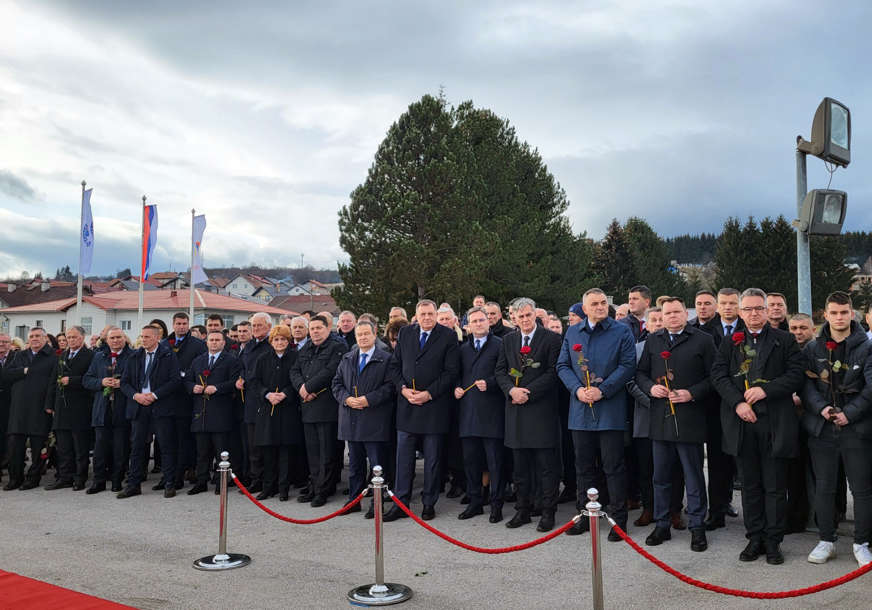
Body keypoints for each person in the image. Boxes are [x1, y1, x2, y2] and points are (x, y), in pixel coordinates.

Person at [711, 288, 805, 564]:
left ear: (767, 310)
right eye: (749, 309)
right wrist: (738, 403)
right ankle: (754, 537)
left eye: (759, 308)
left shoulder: (785, 340)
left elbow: (796, 375)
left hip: (775, 422)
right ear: (740, 312)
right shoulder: (730, 343)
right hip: (742, 424)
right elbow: (719, 375)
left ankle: (774, 541)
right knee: (750, 485)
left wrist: (768, 391)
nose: (754, 314)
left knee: (775, 485)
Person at [636, 298, 716, 552]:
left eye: (676, 312)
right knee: (660, 476)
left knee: (692, 476)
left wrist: (692, 393)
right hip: (660, 417)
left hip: (689, 417)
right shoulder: (654, 340)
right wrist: (651, 387)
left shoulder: (702, 339)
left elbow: (715, 377)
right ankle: (662, 524)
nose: (672, 316)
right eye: (667, 313)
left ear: (685, 314)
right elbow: (640, 373)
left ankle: (697, 527)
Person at [558, 289, 636, 539]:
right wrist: (577, 389)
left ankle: (618, 521)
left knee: (613, 467)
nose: (600, 307)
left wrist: (603, 390)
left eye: (603, 303)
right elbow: (562, 365)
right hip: (580, 410)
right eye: (595, 304)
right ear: (585, 307)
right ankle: (583, 516)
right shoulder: (573, 331)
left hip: (610, 409)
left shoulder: (621, 331)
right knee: (583, 467)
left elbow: (627, 365)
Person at [801, 292, 872, 567]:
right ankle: (826, 539)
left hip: (857, 429)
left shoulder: (866, 347)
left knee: (862, 489)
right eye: (834, 312)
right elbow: (805, 385)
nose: (840, 317)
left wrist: (849, 414)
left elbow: (870, 387)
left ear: (852, 313)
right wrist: (822, 408)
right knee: (824, 487)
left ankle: (862, 542)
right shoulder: (813, 348)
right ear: (826, 314)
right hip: (822, 428)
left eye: (844, 312)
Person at [384, 299, 460, 522]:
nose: (427, 317)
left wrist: (429, 394)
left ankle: (429, 503)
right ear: (416, 316)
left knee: (433, 460)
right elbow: (395, 366)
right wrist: (403, 390)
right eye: (423, 314)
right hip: (407, 404)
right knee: (403, 459)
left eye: (430, 313)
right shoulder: (406, 333)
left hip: (433, 406)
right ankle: (400, 503)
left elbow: (450, 372)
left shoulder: (447, 336)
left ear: (436, 314)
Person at [496, 297, 563, 532]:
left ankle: (547, 512)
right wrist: (512, 390)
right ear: (514, 317)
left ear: (535, 315)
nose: (525, 320)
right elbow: (500, 371)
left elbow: (554, 372)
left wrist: (529, 392)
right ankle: (522, 510)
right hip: (516, 410)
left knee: (546, 467)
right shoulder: (508, 340)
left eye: (528, 315)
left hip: (541, 410)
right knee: (520, 468)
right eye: (520, 316)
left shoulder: (552, 339)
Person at [332, 320, 395, 517]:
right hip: (351, 418)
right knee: (355, 466)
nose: (363, 337)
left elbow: (390, 387)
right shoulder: (347, 358)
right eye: (359, 335)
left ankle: (376, 504)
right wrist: (347, 399)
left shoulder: (386, 359)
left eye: (366, 334)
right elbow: (336, 384)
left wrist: (369, 400)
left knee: (377, 466)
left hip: (374, 420)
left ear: (374, 334)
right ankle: (354, 500)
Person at [454, 307, 506, 523]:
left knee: (495, 463)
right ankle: (475, 502)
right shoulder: (463, 349)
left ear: (489, 322)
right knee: (471, 462)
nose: (478, 324)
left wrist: (492, 383)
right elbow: (456, 374)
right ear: (467, 325)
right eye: (473, 321)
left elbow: (512, 373)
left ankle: (496, 505)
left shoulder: (500, 345)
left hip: (492, 413)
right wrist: (456, 388)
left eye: (481, 320)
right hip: (468, 413)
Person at [118, 325, 182, 499]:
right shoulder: (134, 356)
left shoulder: (168, 355)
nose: (143, 339)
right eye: (142, 336)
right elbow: (124, 382)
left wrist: (154, 395)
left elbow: (175, 381)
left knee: (166, 445)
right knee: (137, 447)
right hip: (139, 406)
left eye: (147, 337)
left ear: (156, 338)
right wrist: (136, 395)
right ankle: (133, 484)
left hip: (161, 406)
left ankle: (169, 483)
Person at [291, 314, 348, 506]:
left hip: (326, 406)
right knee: (313, 453)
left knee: (327, 452)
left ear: (327, 328)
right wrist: (301, 388)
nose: (315, 331)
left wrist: (309, 387)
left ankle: (324, 490)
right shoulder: (306, 347)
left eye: (318, 328)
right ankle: (315, 486)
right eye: (312, 328)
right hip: (307, 405)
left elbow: (331, 371)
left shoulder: (337, 346)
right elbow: (294, 370)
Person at [187, 330, 242, 495]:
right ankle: (201, 481)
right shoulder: (198, 360)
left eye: (218, 340)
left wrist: (217, 388)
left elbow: (234, 382)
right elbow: (187, 379)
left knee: (221, 452)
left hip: (221, 411)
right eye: (211, 340)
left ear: (224, 343)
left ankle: (221, 482)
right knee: (202, 452)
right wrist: (192, 387)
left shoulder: (232, 361)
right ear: (206, 342)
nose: (214, 342)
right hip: (201, 412)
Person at [251, 324, 302, 501]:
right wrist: (267, 394)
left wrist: (285, 394)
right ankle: (268, 487)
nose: (279, 342)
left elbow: (298, 380)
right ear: (271, 342)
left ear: (288, 341)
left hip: (287, 410)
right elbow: (255, 381)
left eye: (283, 339)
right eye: (276, 339)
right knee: (268, 452)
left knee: (285, 453)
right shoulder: (263, 358)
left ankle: (283, 488)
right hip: (267, 409)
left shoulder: (296, 358)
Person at [3, 328, 57, 490]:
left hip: (40, 408)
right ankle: (15, 478)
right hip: (19, 408)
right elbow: (7, 374)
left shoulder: (53, 357)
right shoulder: (20, 355)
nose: (34, 339)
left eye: (37, 336)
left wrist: (49, 405)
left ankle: (32, 479)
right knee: (15, 446)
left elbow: (53, 384)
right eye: (31, 336)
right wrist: (24, 371)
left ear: (45, 338)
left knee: (38, 447)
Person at [160, 312, 207, 491]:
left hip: (186, 399)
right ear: (173, 324)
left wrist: (186, 377)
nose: (181, 326)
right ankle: (167, 476)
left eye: (184, 323)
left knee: (182, 441)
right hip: (165, 399)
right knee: (165, 442)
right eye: (178, 323)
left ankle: (179, 476)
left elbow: (201, 368)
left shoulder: (198, 345)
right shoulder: (164, 344)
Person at [45, 326, 94, 491]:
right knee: (63, 447)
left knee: (80, 447)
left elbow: (91, 379)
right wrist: (49, 404)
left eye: (74, 337)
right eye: (69, 337)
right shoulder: (63, 355)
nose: (71, 340)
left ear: (82, 338)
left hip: (80, 407)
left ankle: (80, 478)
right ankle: (65, 477)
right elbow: (53, 380)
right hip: (61, 408)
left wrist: (72, 381)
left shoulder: (90, 356)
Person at [83, 327, 132, 493]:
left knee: (120, 448)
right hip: (102, 409)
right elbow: (87, 380)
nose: (116, 340)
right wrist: (101, 382)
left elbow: (139, 381)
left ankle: (117, 480)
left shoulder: (132, 356)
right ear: (107, 340)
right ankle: (98, 481)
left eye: (119, 337)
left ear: (124, 339)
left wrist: (122, 384)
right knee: (99, 449)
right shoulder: (99, 356)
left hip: (122, 408)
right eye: (113, 338)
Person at [236, 312, 272, 492]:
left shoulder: (272, 345)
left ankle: (266, 481)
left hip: (265, 400)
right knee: (251, 446)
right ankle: (254, 478)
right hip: (249, 402)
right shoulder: (249, 346)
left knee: (264, 445)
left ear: (268, 327)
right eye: (254, 326)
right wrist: (240, 378)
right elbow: (243, 367)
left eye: (260, 325)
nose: (256, 329)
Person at [0, 333, 13, 480]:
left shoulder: (17, 357)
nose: (2, 344)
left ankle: (10, 465)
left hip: (11, 403)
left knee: (9, 437)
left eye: (5, 342)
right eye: (0, 342)